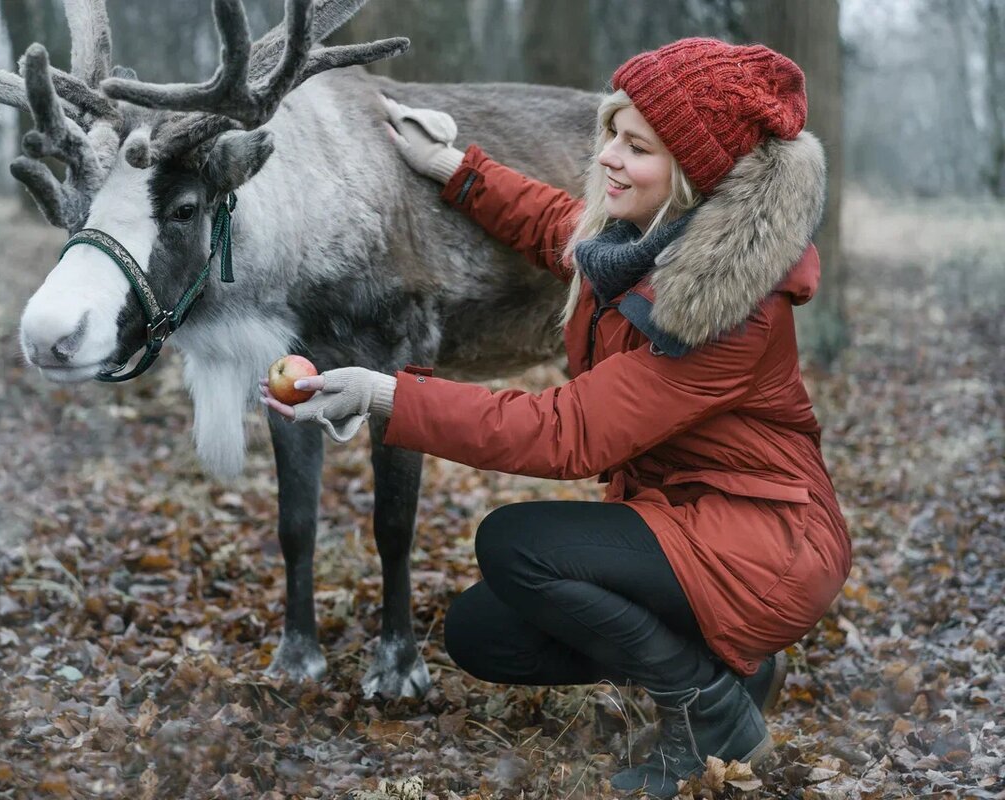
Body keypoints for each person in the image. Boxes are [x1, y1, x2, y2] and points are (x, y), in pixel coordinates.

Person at [258, 37, 851, 797]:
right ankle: (734, 665)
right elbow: (554, 226)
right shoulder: (650, 241)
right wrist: (455, 169)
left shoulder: (728, 312)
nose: (605, 156)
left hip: (766, 544)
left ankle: (707, 710)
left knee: (517, 544)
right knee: (481, 635)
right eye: (610, 131)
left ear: (695, 176)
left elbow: (564, 434)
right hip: (687, 523)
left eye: (636, 146)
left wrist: (385, 395)